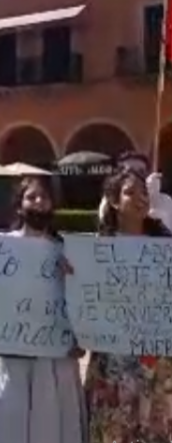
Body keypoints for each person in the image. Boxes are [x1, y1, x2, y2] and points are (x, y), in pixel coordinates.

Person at [0, 176, 86, 443]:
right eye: (31, 197)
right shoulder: (1, 247)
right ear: (19, 206)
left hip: (55, 354)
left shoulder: (66, 250)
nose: (39, 202)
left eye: (45, 197)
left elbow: (83, 300)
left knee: (50, 420)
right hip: (13, 351)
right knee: (11, 419)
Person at [83, 168, 172, 443]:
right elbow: (85, 297)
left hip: (154, 360)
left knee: (152, 430)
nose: (140, 199)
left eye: (143, 192)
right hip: (112, 358)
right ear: (112, 201)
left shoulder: (165, 245)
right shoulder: (98, 248)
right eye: (129, 192)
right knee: (113, 429)